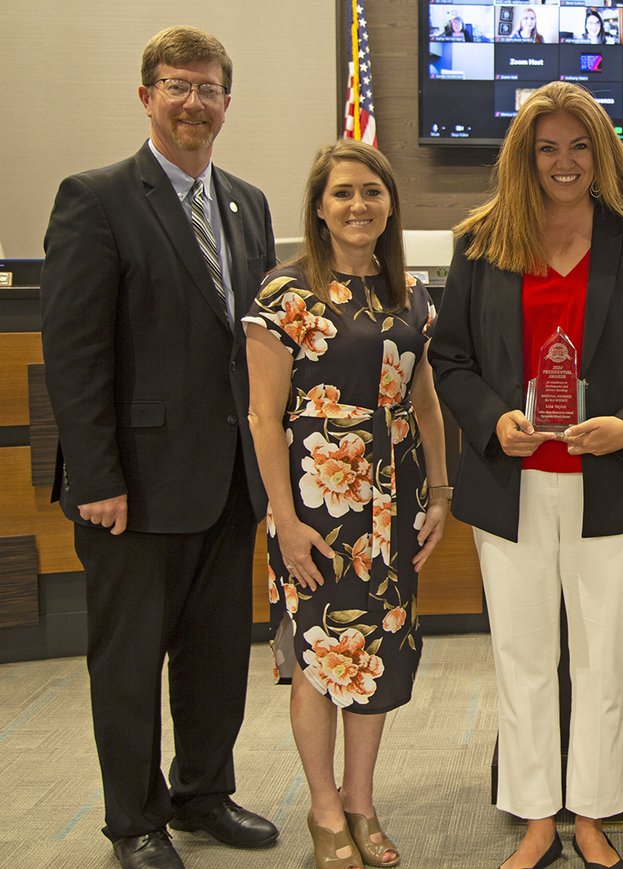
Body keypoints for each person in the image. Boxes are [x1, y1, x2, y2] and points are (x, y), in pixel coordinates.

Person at [429, 81, 623, 869]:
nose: (564, 162)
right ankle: (536, 814)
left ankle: (592, 813)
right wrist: (491, 419)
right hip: (512, 487)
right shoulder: (481, 238)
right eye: (548, 147)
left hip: (613, 484)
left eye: (579, 146)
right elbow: (452, 358)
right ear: (525, 155)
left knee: (605, 658)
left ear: (601, 151)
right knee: (523, 653)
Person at [40, 25, 278, 869]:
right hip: (133, 488)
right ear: (146, 96)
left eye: (209, 87)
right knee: (130, 665)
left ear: (225, 100)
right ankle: (133, 821)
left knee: (216, 658)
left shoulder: (249, 203)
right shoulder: (96, 197)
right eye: (177, 85)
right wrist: (98, 475)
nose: (194, 102)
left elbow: (251, 345)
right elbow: (74, 353)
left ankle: (203, 792)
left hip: (228, 484)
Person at [244, 139, 448, 869]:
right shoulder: (285, 293)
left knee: (377, 654)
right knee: (319, 656)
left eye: (371, 192)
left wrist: (442, 493)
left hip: (394, 500)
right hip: (315, 501)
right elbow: (265, 417)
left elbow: (423, 395)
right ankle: (324, 809)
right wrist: (285, 520)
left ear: (391, 203)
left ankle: (361, 803)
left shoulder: (412, 293)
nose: (358, 205)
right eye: (342, 194)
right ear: (320, 208)